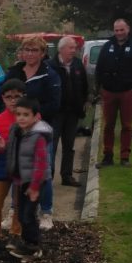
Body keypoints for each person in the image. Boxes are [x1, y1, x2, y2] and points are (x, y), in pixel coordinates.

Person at [5, 34, 61, 229]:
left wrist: (34, 115)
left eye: (34, 50)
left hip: (40, 128)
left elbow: (55, 103)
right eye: (26, 50)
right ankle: (14, 209)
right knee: (17, 169)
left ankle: (46, 212)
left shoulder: (50, 74)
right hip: (18, 128)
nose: (29, 54)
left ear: (42, 53)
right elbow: (4, 97)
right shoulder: (14, 72)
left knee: (42, 170)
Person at [6, 95, 52, 260]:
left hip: (35, 183)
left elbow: (40, 163)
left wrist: (34, 187)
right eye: (18, 114)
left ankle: (33, 246)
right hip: (23, 181)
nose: (21, 118)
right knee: (22, 215)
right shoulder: (19, 132)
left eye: (26, 115)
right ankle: (28, 242)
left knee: (27, 215)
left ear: (35, 116)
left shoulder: (38, 136)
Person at [94, 18, 132, 167]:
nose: (119, 33)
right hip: (109, 92)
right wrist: (99, 89)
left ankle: (124, 157)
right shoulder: (107, 46)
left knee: (127, 126)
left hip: (126, 93)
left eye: (121, 30)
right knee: (108, 125)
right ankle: (108, 157)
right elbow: (99, 68)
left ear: (127, 29)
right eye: (116, 30)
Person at [0, 79, 26, 245]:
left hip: (22, 166)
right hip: (3, 165)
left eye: (17, 96)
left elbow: (30, 145)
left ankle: (16, 234)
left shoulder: (29, 118)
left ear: (24, 96)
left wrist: (6, 145)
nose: (13, 100)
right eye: (9, 96)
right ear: (2, 98)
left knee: (19, 203)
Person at [51, 35, 88, 187]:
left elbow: (84, 85)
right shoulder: (50, 66)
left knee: (69, 145)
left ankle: (67, 175)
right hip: (56, 113)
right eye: (71, 47)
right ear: (62, 49)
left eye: (75, 48)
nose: (74, 50)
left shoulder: (78, 65)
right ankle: (48, 176)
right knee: (51, 146)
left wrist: (85, 101)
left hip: (72, 112)